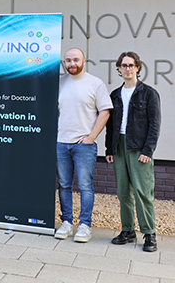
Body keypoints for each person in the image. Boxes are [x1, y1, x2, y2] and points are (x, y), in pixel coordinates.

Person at [55, 47, 112, 242]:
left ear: (84, 61)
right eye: (68, 60)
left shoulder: (95, 83)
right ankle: (67, 222)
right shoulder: (58, 82)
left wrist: (91, 137)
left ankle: (85, 225)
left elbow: (105, 111)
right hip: (61, 143)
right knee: (64, 185)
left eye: (76, 60)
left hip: (84, 145)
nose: (72, 64)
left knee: (85, 186)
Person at [106, 51, 161, 252]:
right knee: (123, 192)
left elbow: (155, 125)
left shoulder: (148, 93)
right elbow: (110, 126)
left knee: (142, 191)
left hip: (139, 148)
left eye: (131, 65)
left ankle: (149, 233)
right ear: (119, 69)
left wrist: (148, 150)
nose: (127, 69)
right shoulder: (115, 95)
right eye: (124, 65)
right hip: (119, 147)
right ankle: (128, 230)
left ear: (138, 67)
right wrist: (109, 149)